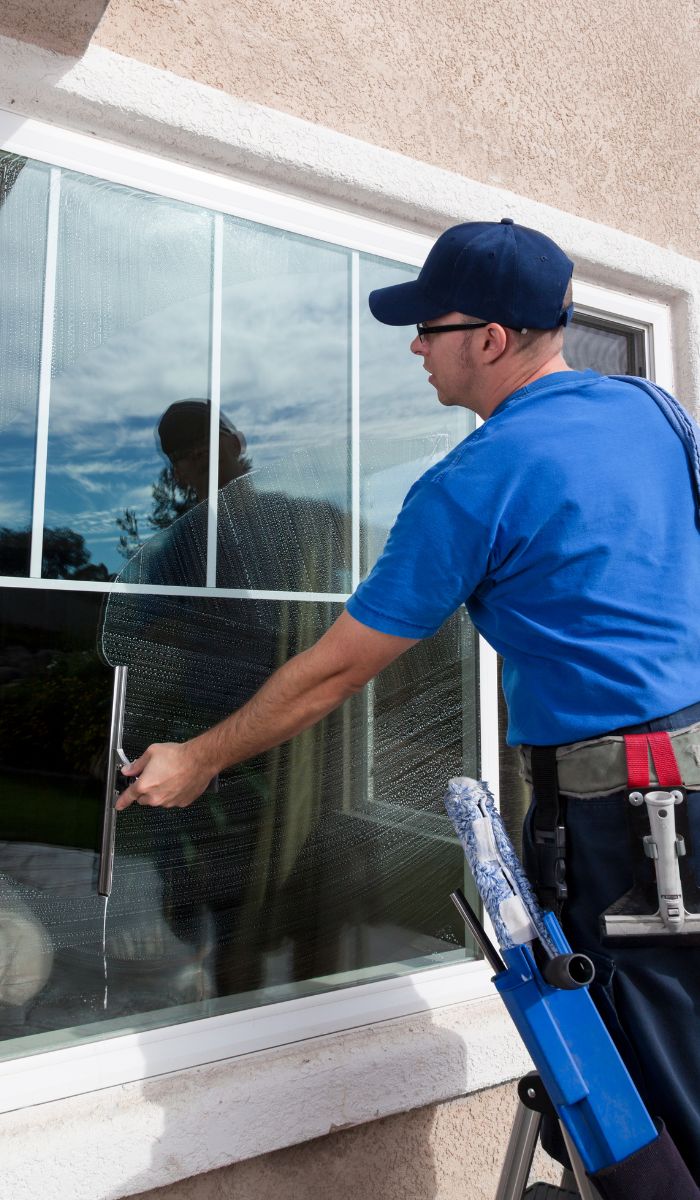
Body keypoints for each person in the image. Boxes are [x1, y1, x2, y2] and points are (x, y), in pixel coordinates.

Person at [116, 218, 700, 1182]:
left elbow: (338, 669)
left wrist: (199, 756)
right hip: (677, 796)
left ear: (492, 339)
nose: (415, 345)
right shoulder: (654, 412)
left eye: (430, 326)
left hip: (623, 832)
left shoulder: (472, 481)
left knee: (645, 1109)